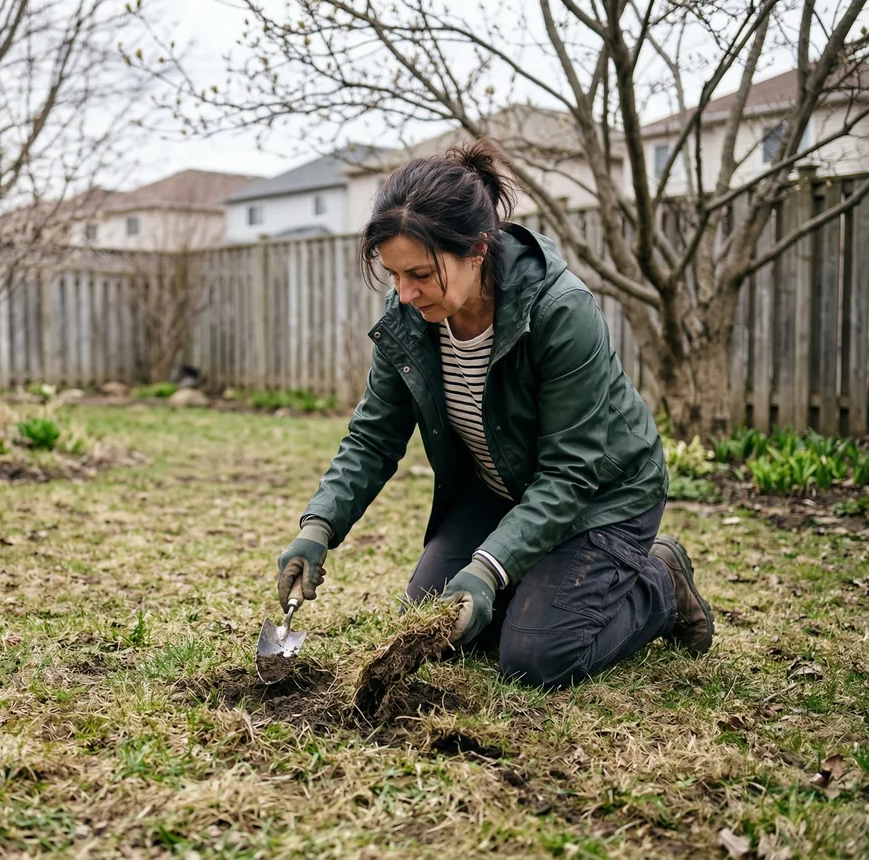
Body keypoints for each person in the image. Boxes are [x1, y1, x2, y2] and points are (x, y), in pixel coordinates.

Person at [275, 138, 714, 689]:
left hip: (602, 494)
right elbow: (374, 435)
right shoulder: (410, 317)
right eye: (394, 275)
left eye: (420, 275)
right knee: (433, 630)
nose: (405, 294)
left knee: (534, 660)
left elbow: (571, 470)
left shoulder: (560, 311)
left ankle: (658, 582)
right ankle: (535, 582)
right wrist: (319, 527)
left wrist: (489, 567)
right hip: (502, 487)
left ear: (478, 250)